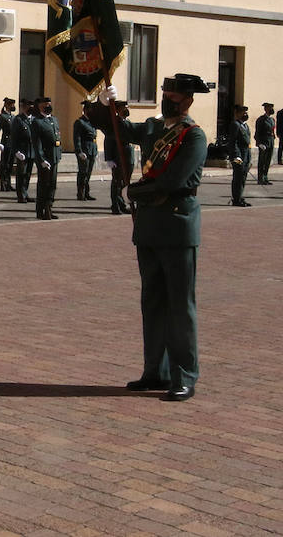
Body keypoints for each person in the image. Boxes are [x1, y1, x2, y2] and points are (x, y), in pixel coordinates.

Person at [93, 73, 211, 402]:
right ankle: (154, 371)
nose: (168, 98)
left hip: (176, 224)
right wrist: (105, 104)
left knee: (179, 304)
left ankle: (184, 375)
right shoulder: (154, 128)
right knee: (153, 301)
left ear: (188, 101)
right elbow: (116, 130)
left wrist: (136, 189)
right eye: (166, 92)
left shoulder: (193, 136)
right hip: (149, 226)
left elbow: (174, 180)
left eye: (175, 95)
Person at [29, 96, 62, 220]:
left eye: (49, 104)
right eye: (45, 105)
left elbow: (58, 137)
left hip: (54, 157)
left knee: (52, 185)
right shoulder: (37, 122)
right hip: (45, 159)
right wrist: (42, 159)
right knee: (43, 185)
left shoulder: (54, 120)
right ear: (40, 107)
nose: (48, 107)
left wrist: (59, 153)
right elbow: (37, 144)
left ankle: (49, 207)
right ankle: (41, 210)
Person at [103, 101, 134, 215]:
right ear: (117, 110)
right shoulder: (114, 124)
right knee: (116, 182)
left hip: (128, 157)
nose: (126, 110)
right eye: (123, 108)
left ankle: (122, 204)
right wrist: (109, 159)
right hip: (118, 157)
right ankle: (115, 205)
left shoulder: (128, 122)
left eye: (127, 107)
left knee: (125, 183)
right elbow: (108, 141)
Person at [226, 104, 252, 207]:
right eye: (243, 112)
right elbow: (233, 142)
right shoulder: (235, 125)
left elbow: (247, 143)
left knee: (243, 177)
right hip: (238, 157)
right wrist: (237, 156)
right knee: (238, 177)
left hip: (246, 156)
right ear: (237, 113)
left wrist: (249, 158)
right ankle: (236, 199)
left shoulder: (245, 125)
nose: (245, 114)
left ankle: (240, 197)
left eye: (246, 112)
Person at [73, 100, 98, 201]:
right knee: (83, 173)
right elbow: (77, 138)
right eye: (90, 109)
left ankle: (86, 193)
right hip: (84, 151)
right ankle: (80, 193)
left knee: (88, 173)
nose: (91, 111)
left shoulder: (92, 122)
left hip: (92, 150)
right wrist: (79, 151)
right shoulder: (80, 122)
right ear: (85, 110)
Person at [11, 98, 35, 204]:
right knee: (21, 174)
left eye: (32, 107)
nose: (30, 108)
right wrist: (16, 151)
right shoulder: (18, 119)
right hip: (22, 151)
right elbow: (14, 137)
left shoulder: (33, 119)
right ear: (24, 107)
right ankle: (20, 195)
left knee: (28, 174)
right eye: (28, 106)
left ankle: (25, 193)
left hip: (31, 151)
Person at [0, 97, 16, 192]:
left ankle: (8, 183)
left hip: (12, 143)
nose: (13, 106)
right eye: (12, 105)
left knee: (10, 164)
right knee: (4, 164)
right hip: (6, 143)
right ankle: (3, 184)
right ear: (7, 105)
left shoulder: (13, 117)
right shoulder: (2, 116)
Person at [254, 102, 276, 185]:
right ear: (265, 109)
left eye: (272, 108)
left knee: (268, 161)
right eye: (269, 108)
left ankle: (265, 177)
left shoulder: (272, 119)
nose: (271, 110)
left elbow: (273, 131)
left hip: (271, 142)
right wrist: (259, 143)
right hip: (264, 142)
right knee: (262, 161)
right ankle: (260, 178)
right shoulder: (261, 119)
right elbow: (257, 133)